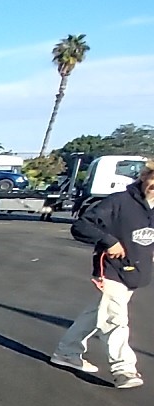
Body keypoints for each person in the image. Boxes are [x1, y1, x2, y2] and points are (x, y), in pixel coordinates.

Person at [51, 161, 154, 389]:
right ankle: (123, 369)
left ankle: (67, 352)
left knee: (96, 313)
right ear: (145, 177)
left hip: (135, 272)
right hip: (111, 269)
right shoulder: (119, 202)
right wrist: (110, 241)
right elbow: (81, 226)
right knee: (115, 319)